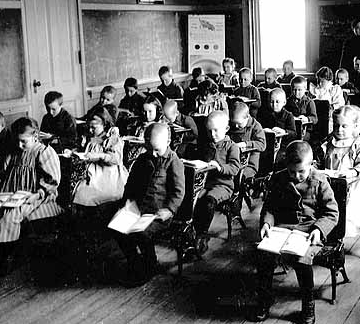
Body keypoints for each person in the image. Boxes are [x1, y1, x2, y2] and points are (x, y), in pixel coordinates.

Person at [252, 140, 338, 324]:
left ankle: (308, 304)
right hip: (283, 228)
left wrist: (318, 229)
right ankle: (264, 299)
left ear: (311, 165)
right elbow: (270, 207)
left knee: (301, 259)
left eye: (301, 172)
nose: (296, 176)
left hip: (310, 231)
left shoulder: (320, 182)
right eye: (292, 172)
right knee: (264, 254)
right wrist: (267, 224)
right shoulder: (279, 178)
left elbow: (332, 213)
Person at [0, 117, 63, 277]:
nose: (19, 145)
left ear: (35, 137)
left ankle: (8, 258)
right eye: (17, 141)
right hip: (10, 192)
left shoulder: (43, 152)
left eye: (24, 141)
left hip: (34, 195)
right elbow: (2, 174)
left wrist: (38, 193)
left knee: (11, 216)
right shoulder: (14, 151)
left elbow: (52, 180)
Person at [114, 122, 185, 286]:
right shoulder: (142, 159)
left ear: (167, 142)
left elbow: (179, 191)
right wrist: (125, 204)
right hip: (138, 208)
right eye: (149, 148)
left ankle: (148, 265)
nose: (153, 153)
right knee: (117, 228)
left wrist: (170, 210)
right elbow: (131, 185)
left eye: (157, 150)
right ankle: (134, 261)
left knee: (140, 232)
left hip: (158, 213)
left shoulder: (173, 162)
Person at [320, 106, 360, 238]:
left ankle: (339, 234)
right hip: (331, 182)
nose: (339, 130)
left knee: (348, 211)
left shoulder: (359, 143)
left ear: (354, 126)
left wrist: (352, 172)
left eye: (344, 126)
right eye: (336, 126)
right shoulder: (329, 143)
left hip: (354, 184)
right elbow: (319, 159)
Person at [192, 111, 242, 254]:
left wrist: (220, 168)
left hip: (223, 185)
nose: (212, 134)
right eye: (209, 131)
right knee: (194, 198)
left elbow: (234, 168)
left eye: (216, 130)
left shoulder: (232, 147)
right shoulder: (206, 144)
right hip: (205, 183)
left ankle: (202, 235)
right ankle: (193, 230)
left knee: (208, 202)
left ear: (226, 129)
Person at [71, 106, 128, 208]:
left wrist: (100, 155)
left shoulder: (111, 138)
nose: (90, 130)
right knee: (78, 190)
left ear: (104, 124)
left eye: (94, 127)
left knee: (86, 195)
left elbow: (115, 159)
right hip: (91, 174)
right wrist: (73, 152)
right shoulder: (92, 137)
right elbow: (85, 150)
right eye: (89, 127)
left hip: (107, 177)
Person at [228, 102, 266, 181]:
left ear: (247, 117)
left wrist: (246, 144)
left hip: (249, 164)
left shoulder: (256, 126)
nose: (236, 126)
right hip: (232, 161)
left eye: (239, 123)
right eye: (234, 123)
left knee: (240, 177)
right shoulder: (233, 125)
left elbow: (262, 145)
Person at [258, 88, 297, 153]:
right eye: (271, 102)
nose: (274, 105)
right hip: (268, 143)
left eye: (277, 102)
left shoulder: (289, 116)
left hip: (283, 145)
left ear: (284, 102)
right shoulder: (266, 114)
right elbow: (260, 127)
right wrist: (264, 130)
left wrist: (284, 131)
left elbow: (293, 133)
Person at [286, 75, 318, 140]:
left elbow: (315, 118)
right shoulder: (288, 101)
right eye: (294, 90)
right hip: (292, 128)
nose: (296, 92)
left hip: (305, 130)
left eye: (299, 90)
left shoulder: (309, 102)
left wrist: (307, 118)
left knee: (302, 139)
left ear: (305, 89)